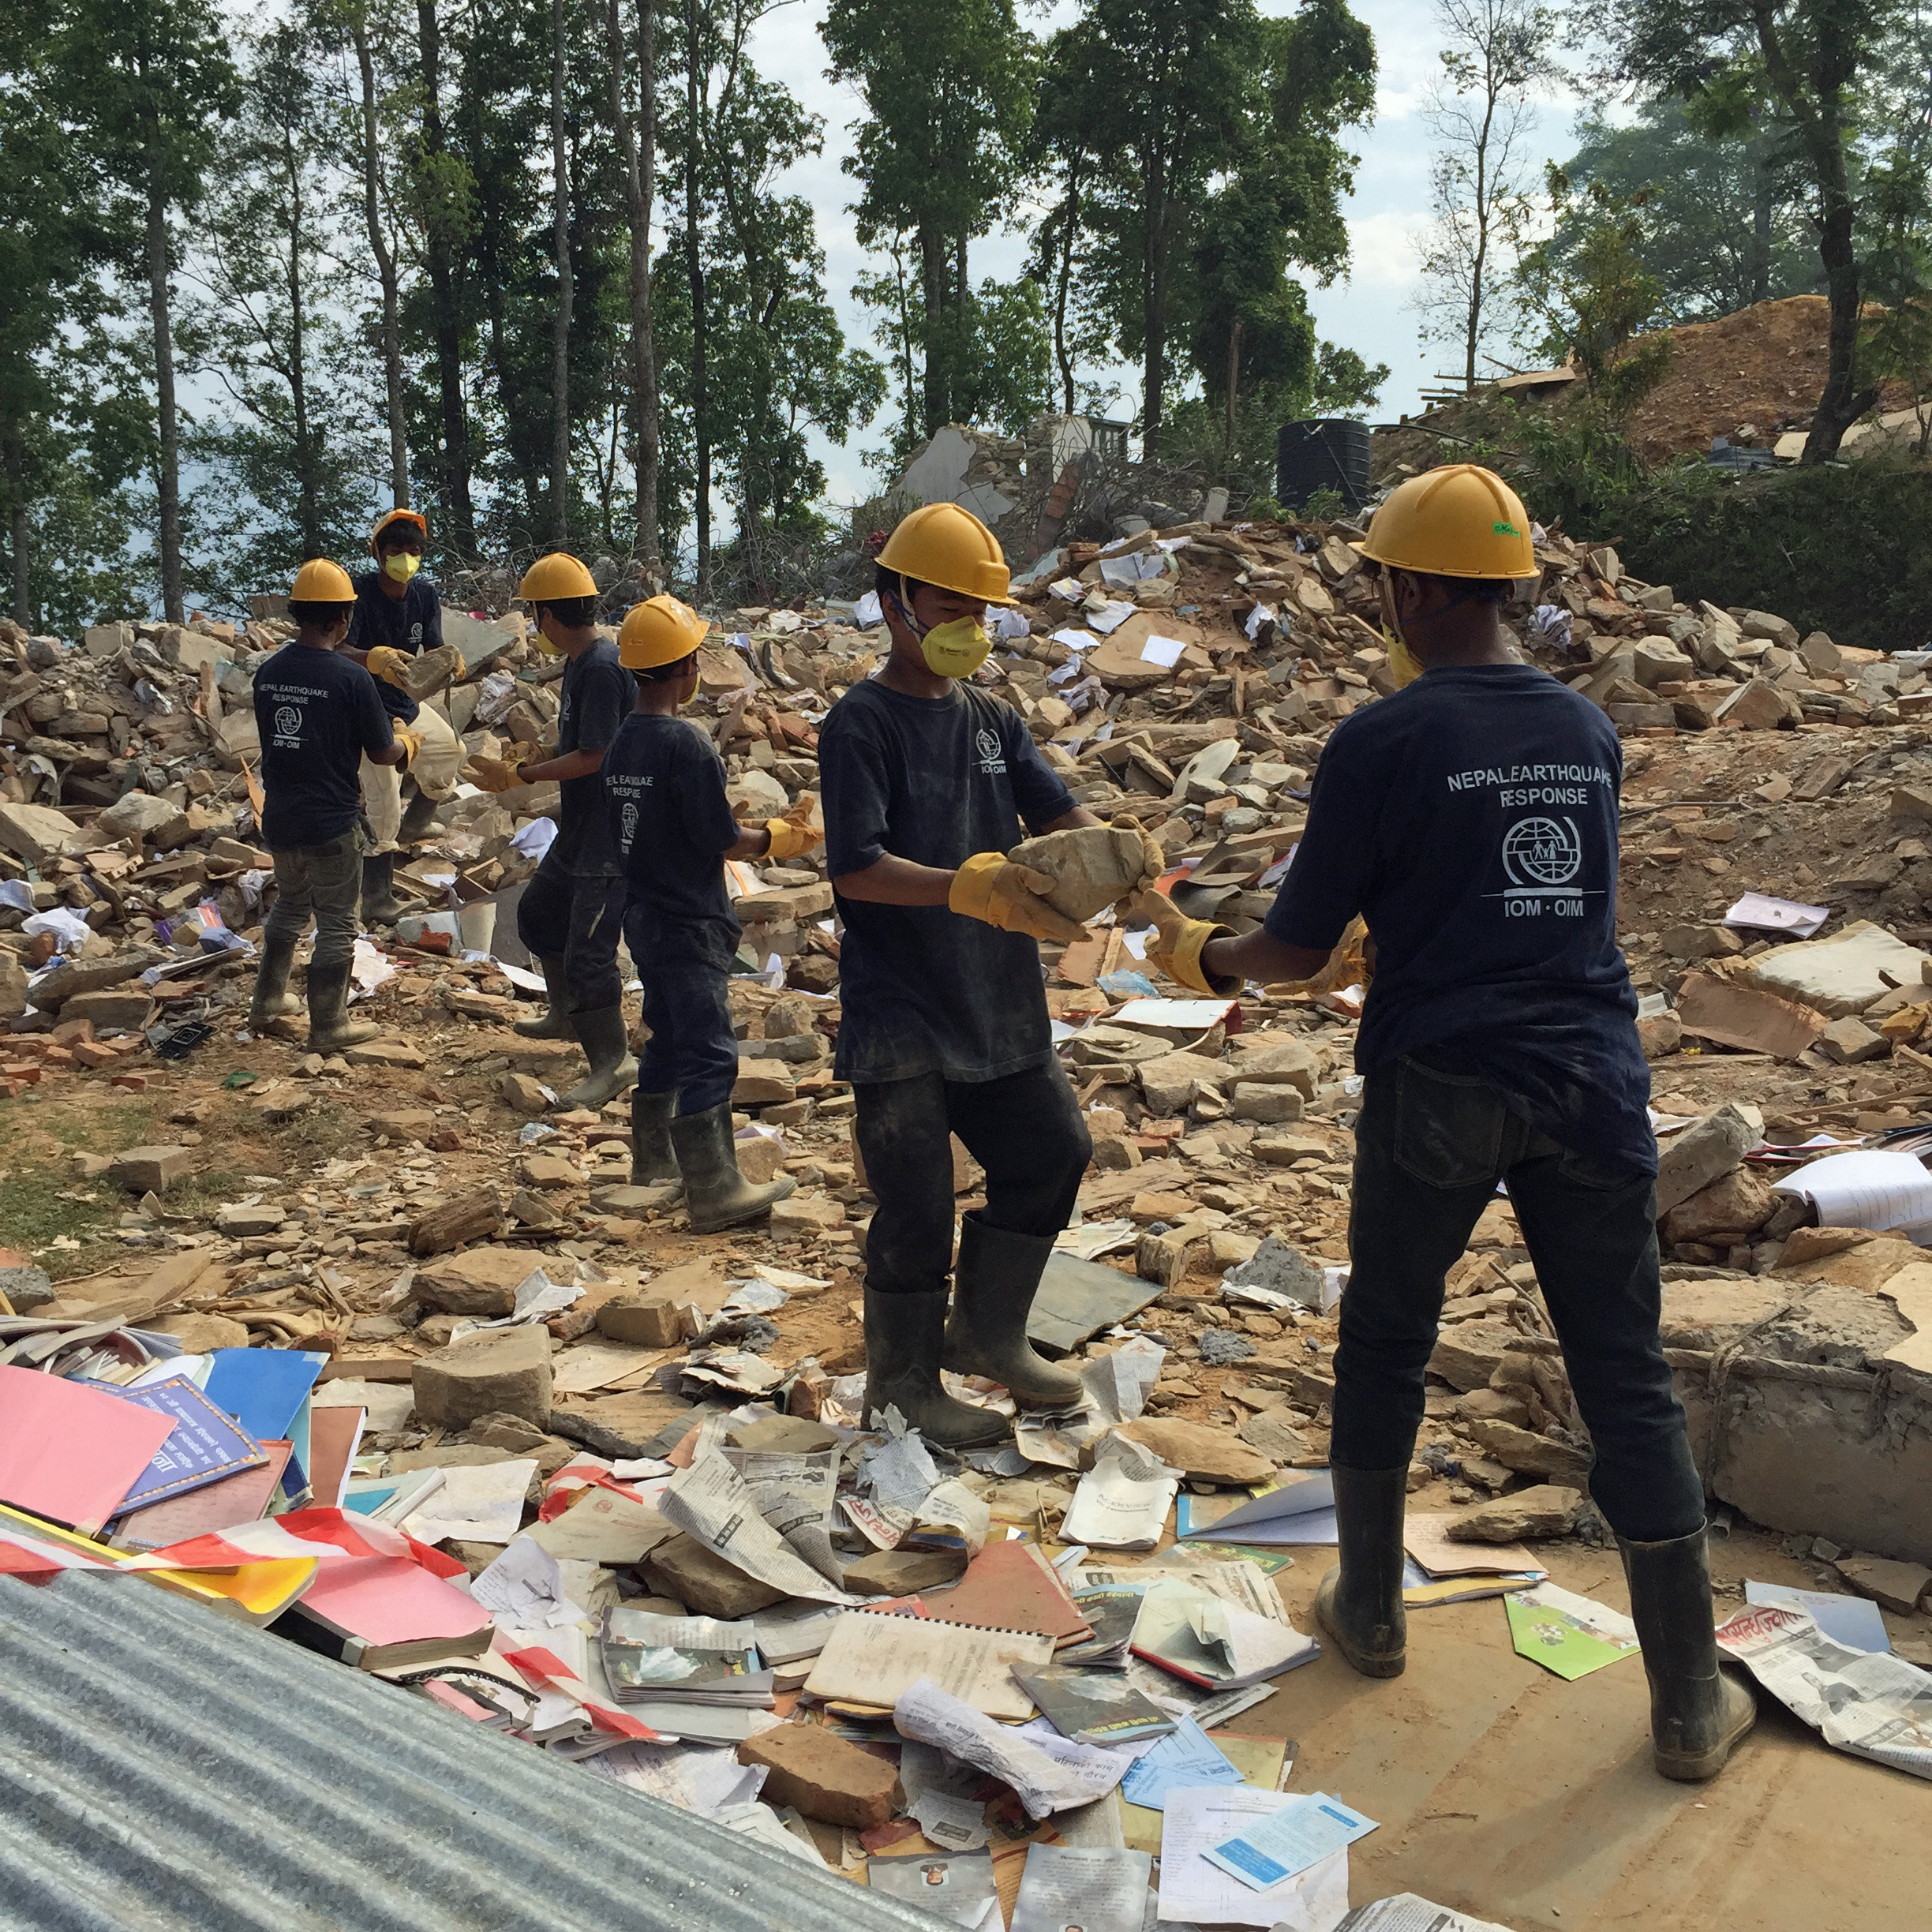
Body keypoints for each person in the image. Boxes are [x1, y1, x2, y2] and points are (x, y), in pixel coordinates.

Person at [1139, 464, 1754, 1784]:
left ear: (1410, 588)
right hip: (1590, 1080)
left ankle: (1368, 1610)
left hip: (1441, 1080)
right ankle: (1690, 1701)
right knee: (1623, 1374)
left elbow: (1299, 951)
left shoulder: (1383, 740)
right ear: (1509, 589)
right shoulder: (1585, 729)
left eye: (1381, 586)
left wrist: (1202, 956)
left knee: (1386, 1338)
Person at [819, 502, 1130, 1449]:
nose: (967, 625)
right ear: (893, 603)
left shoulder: (992, 719)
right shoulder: (861, 725)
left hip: (997, 999)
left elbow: (1056, 811)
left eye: (980, 609)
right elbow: (856, 866)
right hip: (902, 1009)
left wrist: (1119, 852)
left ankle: (988, 1333)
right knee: (914, 1202)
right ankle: (900, 1386)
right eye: (948, 604)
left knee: (1052, 1154)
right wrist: (967, 885)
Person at [603, 593, 814, 1232]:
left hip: (643, 913)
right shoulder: (686, 744)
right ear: (685, 667)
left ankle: (656, 1167)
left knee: (667, 1036)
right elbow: (721, 839)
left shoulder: (623, 743)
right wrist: (778, 838)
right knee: (711, 1050)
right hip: (689, 918)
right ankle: (715, 1189)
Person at [471, 552, 635, 1109]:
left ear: (546, 614)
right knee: (539, 917)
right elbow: (579, 743)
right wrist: (540, 750)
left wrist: (523, 773)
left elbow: (596, 755)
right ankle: (566, 1017)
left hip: (612, 832)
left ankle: (612, 1061)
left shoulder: (604, 667)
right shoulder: (580, 664)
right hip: (582, 826)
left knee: (590, 949)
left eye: (533, 613)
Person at [249, 559, 419, 1051]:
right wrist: (410, 743)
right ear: (344, 618)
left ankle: (267, 1001)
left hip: (281, 817)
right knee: (338, 922)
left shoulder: (269, 674)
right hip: (331, 823)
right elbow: (383, 753)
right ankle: (329, 1025)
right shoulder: (350, 679)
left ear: (297, 613)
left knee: (289, 905)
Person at [342, 507, 465, 923]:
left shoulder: (425, 595)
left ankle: (413, 829)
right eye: (397, 551)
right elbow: (335, 650)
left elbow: (431, 647)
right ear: (379, 554)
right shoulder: (357, 596)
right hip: (362, 705)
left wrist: (449, 660)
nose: (405, 560)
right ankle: (376, 897)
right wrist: (371, 658)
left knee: (450, 751)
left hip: (401, 701)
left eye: (414, 552)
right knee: (383, 800)